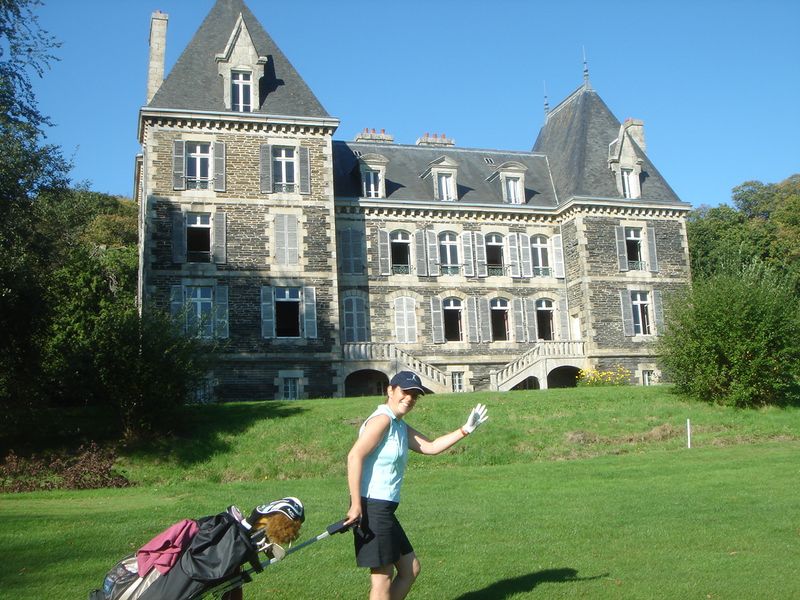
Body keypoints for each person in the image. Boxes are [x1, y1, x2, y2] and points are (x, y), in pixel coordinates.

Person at [344, 371, 488, 600]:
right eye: (405, 391)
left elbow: (430, 447)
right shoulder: (382, 420)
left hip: (384, 509)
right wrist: (355, 505)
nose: (409, 398)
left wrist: (465, 430)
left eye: (414, 395)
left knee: (410, 569)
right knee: (382, 580)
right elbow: (355, 456)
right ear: (390, 391)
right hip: (371, 506)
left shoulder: (398, 424)